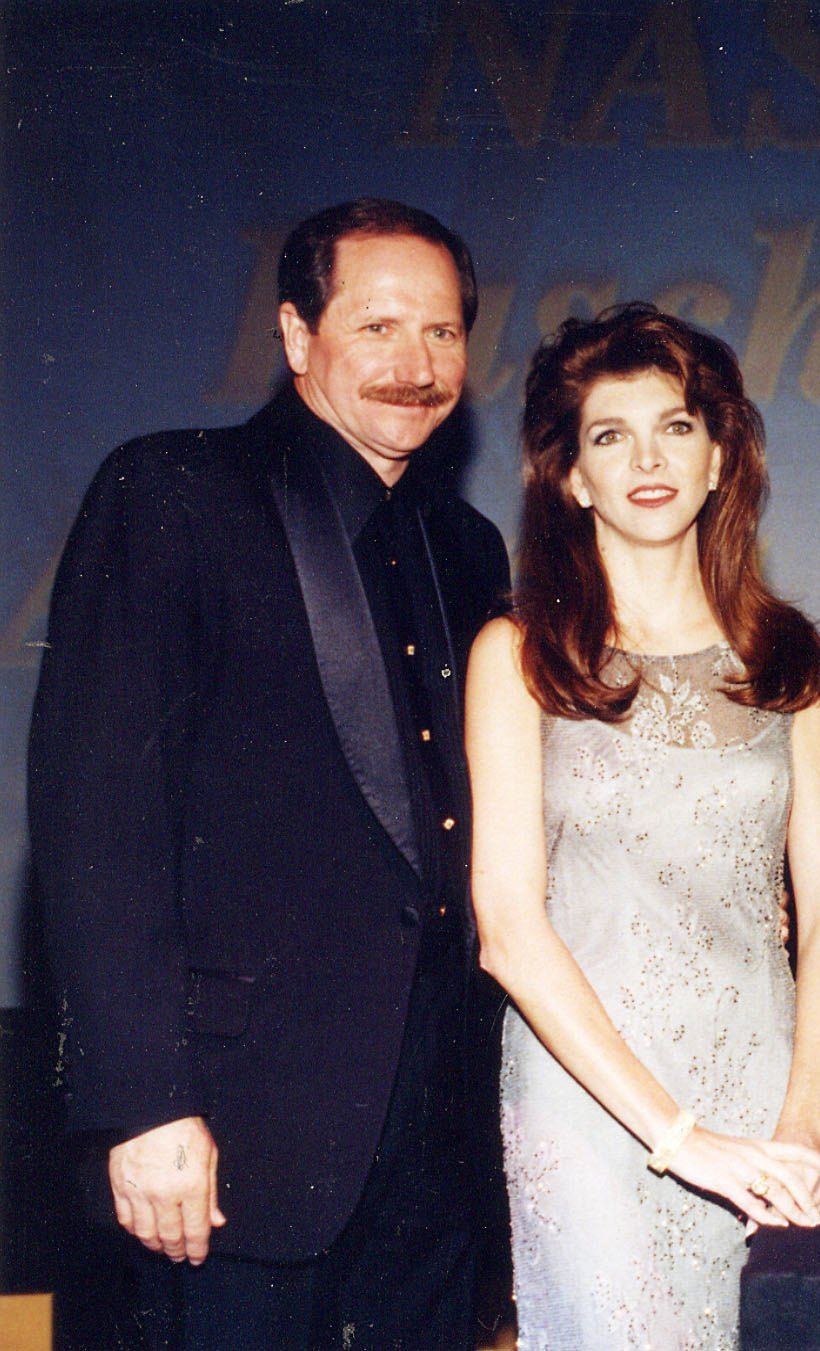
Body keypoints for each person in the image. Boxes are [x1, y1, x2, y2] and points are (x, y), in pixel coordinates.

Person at [29, 199, 510, 1346]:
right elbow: (95, 823)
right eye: (379, 325)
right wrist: (143, 1106)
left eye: (442, 333)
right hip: (229, 1143)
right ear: (297, 335)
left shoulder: (470, 548)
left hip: (436, 1158)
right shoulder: (175, 495)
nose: (415, 364)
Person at [465, 302, 820, 1347]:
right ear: (572, 476)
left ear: (721, 456)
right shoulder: (518, 655)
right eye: (610, 435)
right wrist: (679, 1137)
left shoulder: (786, 659)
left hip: (767, 1085)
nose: (647, 457)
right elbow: (507, 927)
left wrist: (805, 1120)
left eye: (676, 426)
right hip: (590, 1101)